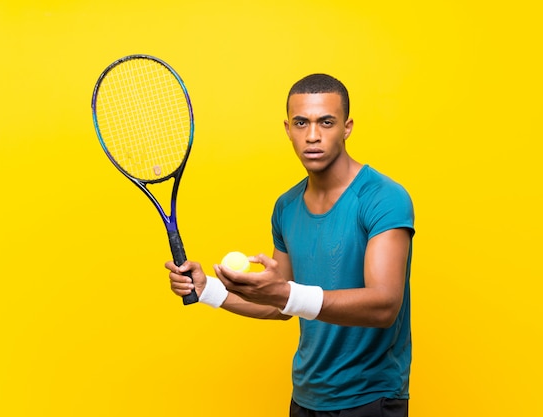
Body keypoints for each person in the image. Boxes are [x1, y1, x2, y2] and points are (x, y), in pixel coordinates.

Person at [166, 73, 415, 417]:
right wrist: (206, 288)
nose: (312, 135)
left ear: (347, 127)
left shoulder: (383, 198)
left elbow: (384, 305)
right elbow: (279, 304)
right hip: (305, 399)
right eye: (301, 123)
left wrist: (285, 293)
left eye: (326, 122)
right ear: (287, 129)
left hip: (369, 400)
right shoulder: (286, 206)